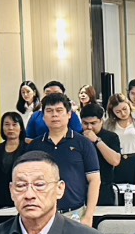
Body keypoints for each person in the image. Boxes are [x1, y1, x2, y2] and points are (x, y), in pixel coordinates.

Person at [28, 92, 100, 225]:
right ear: (43, 116)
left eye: (59, 110)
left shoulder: (83, 143)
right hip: (42, 214)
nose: (54, 115)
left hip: (75, 213)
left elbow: (94, 180)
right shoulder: (35, 145)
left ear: (69, 114)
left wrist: (89, 215)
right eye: (49, 111)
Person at [79, 103, 124, 204]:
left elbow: (115, 161)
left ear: (101, 121)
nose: (89, 127)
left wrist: (97, 141)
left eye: (93, 123)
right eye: (85, 123)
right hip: (81, 188)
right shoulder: (77, 138)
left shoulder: (111, 137)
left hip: (104, 188)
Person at [0, 112, 29, 209]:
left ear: (21, 128)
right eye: (7, 124)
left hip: (21, 199)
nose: (10, 128)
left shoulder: (28, 149)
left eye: (14, 124)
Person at [104, 94, 135, 202]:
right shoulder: (108, 124)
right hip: (118, 161)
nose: (123, 113)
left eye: (125, 109)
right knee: (119, 194)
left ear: (129, 105)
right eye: (118, 111)